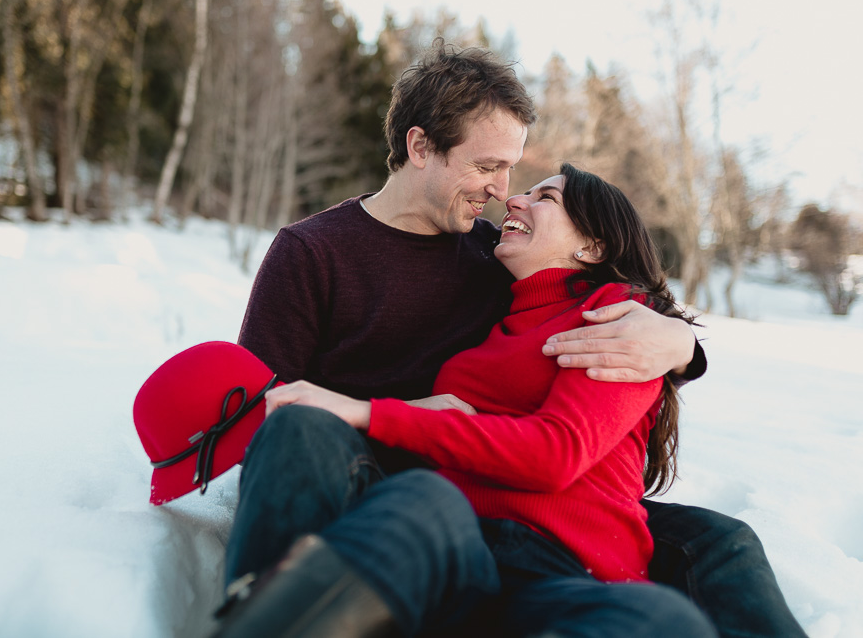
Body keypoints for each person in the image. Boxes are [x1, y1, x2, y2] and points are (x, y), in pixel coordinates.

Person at [221, 42, 804, 637]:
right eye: (486, 167)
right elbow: (249, 407)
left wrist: (682, 344)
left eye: (512, 170)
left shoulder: (494, 258)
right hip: (372, 477)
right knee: (305, 429)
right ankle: (262, 606)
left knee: (716, 541)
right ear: (421, 147)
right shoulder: (311, 253)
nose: (504, 192)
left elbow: (575, 312)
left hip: (483, 496)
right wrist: (376, 415)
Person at [263, 163, 717, 636]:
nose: (514, 199)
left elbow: (554, 453)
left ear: (593, 245)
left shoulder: (622, 318)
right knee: (419, 498)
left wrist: (366, 413)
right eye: (522, 190)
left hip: (564, 572)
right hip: (462, 552)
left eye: (546, 198)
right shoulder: (491, 319)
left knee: (664, 623)